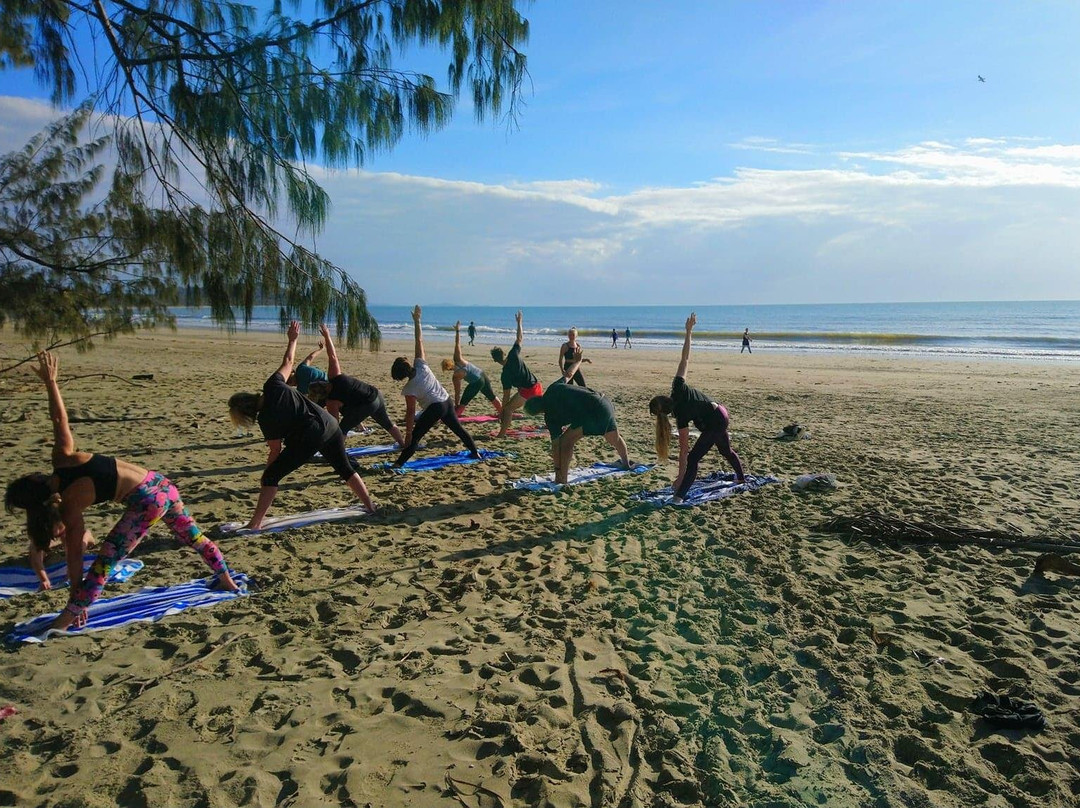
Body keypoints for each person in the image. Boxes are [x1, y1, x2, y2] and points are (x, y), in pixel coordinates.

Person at [5, 352, 238, 631]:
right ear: (34, 478)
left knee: (105, 561)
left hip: (146, 502)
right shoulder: (63, 458)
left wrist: (74, 596)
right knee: (194, 536)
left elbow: (75, 557)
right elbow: (59, 420)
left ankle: (66, 620)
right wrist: (51, 382)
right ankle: (226, 579)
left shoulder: (68, 504)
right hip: (162, 485)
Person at [228, 321, 376, 529]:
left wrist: (267, 476)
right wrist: (292, 339)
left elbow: (275, 451)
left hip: (311, 436)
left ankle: (255, 523)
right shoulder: (272, 385)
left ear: (247, 413)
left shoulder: (265, 419)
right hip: (329, 424)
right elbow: (289, 360)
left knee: (271, 476)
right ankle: (370, 506)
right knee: (345, 467)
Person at [648, 312, 746, 504]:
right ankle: (740, 477)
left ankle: (679, 497)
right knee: (725, 451)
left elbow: (685, 452)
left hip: (716, 419)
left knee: (694, 459)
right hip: (718, 414)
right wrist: (688, 331)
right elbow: (685, 359)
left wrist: (680, 478)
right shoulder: (677, 387)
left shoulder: (680, 416)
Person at [391, 306, 481, 466]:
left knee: (416, 436)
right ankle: (475, 453)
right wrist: (417, 320)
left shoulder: (409, 389)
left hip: (436, 407)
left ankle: (398, 464)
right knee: (459, 430)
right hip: (447, 401)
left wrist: (408, 433)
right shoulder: (421, 365)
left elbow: (411, 413)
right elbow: (419, 341)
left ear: (401, 376)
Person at [524, 356, 630, 485]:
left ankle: (563, 479)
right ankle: (626, 464)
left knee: (566, 441)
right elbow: (569, 374)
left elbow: (556, 446)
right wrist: (578, 361)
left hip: (593, 410)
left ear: (539, 412)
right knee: (614, 438)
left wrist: (558, 470)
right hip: (604, 402)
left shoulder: (550, 417)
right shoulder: (553, 388)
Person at [307, 323, 405, 445]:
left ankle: (338, 453)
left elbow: (335, 426)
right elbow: (332, 355)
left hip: (368, 403)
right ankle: (403, 444)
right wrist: (327, 335)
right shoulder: (334, 376)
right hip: (376, 394)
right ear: (322, 383)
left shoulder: (331, 401)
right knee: (387, 424)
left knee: (342, 429)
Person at [490, 310, 543, 438]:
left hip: (529, 391)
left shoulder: (505, 374)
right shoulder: (513, 354)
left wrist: (502, 411)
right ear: (504, 353)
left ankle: (502, 434)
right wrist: (519, 322)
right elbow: (519, 338)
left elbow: (506, 396)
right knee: (542, 409)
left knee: (508, 409)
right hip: (537, 386)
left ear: (495, 360)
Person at [441, 321, 502, 416]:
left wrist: (457, 405)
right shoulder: (458, 359)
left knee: (464, 401)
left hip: (476, 382)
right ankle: (502, 412)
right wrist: (457, 331)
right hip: (482, 374)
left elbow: (457, 393)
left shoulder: (455, 377)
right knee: (491, 396)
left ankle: (456, 416)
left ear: (447, 369)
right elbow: (457, 343)